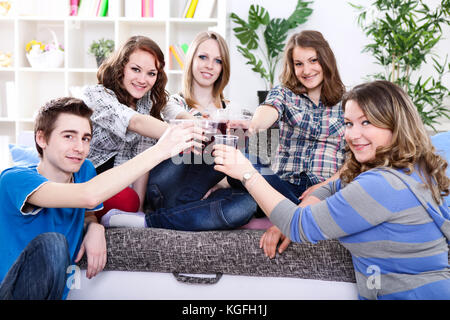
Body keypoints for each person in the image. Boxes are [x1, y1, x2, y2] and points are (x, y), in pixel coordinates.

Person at [213, 80, 450, 300]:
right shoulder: (410, 167)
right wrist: (304, 204)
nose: (352, 135)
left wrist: (247, 174)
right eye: (348, 123)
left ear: (395, 124)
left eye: (366, 122)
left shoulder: (380, 185)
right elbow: (334, 185)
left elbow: (298, 226)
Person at [0, 97, 201, 299]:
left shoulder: (84, 170)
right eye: (69, 136)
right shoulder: (14, 179)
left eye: (85, 138)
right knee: (53, 243)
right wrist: (160, 150)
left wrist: (94, 226)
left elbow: (86, 209)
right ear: (41, 139)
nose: (79, 147)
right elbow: (87, 196)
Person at [101, 31, 257, 231]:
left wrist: (223, 182)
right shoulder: (167, 103)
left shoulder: (237, 112)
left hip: (206, 190)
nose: (209, 65)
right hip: (168, 184)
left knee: (246, 205)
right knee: (219, 139)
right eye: (203, 57)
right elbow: (146, 141)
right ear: (191, 60)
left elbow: (247, 165)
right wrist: (202, 130)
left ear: (223, 67)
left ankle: (151, 221)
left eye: (217, 60)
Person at [249, 30, 346, 248]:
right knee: (245, 161)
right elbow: (268, 109)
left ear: (325, 60)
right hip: (283, 185)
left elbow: (354, 161)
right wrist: (257, 123)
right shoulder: (284, 93)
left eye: (313, 60)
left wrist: (326, 187)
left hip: (324, 189)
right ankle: (290, 213)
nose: (307, 70)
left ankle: (287, 217)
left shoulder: (347, 101)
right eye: (299, 63)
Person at [83, 35, 174, 217]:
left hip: (123, 186)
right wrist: (183, 135)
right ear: (121, 67)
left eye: (151, 73)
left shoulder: (148, 104)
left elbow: (144, 158)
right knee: (125, 200)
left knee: (131, 201)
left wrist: (138, 210)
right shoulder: (96, 95)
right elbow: (134, 121)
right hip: (90, 182)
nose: (143, 79)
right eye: (135, 69)